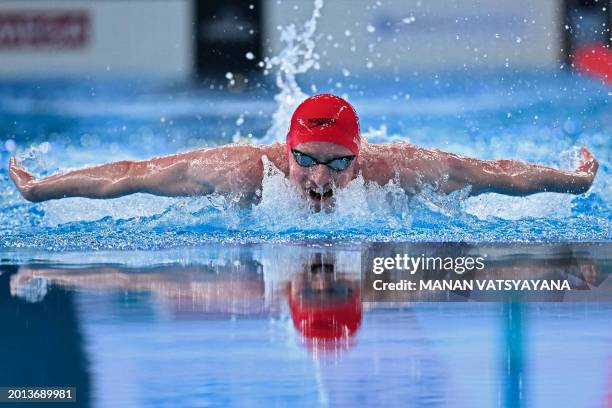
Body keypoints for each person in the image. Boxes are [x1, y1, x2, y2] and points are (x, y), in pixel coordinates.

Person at [8, 94, 599, 211]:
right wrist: (46, 185)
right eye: (307, 160)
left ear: (360, 156)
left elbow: (490, 172)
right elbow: (132, 176)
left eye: (339, 162)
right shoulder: (242, 171)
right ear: (284, 152)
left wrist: (568, 182)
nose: (320, 177)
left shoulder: (399, 170)